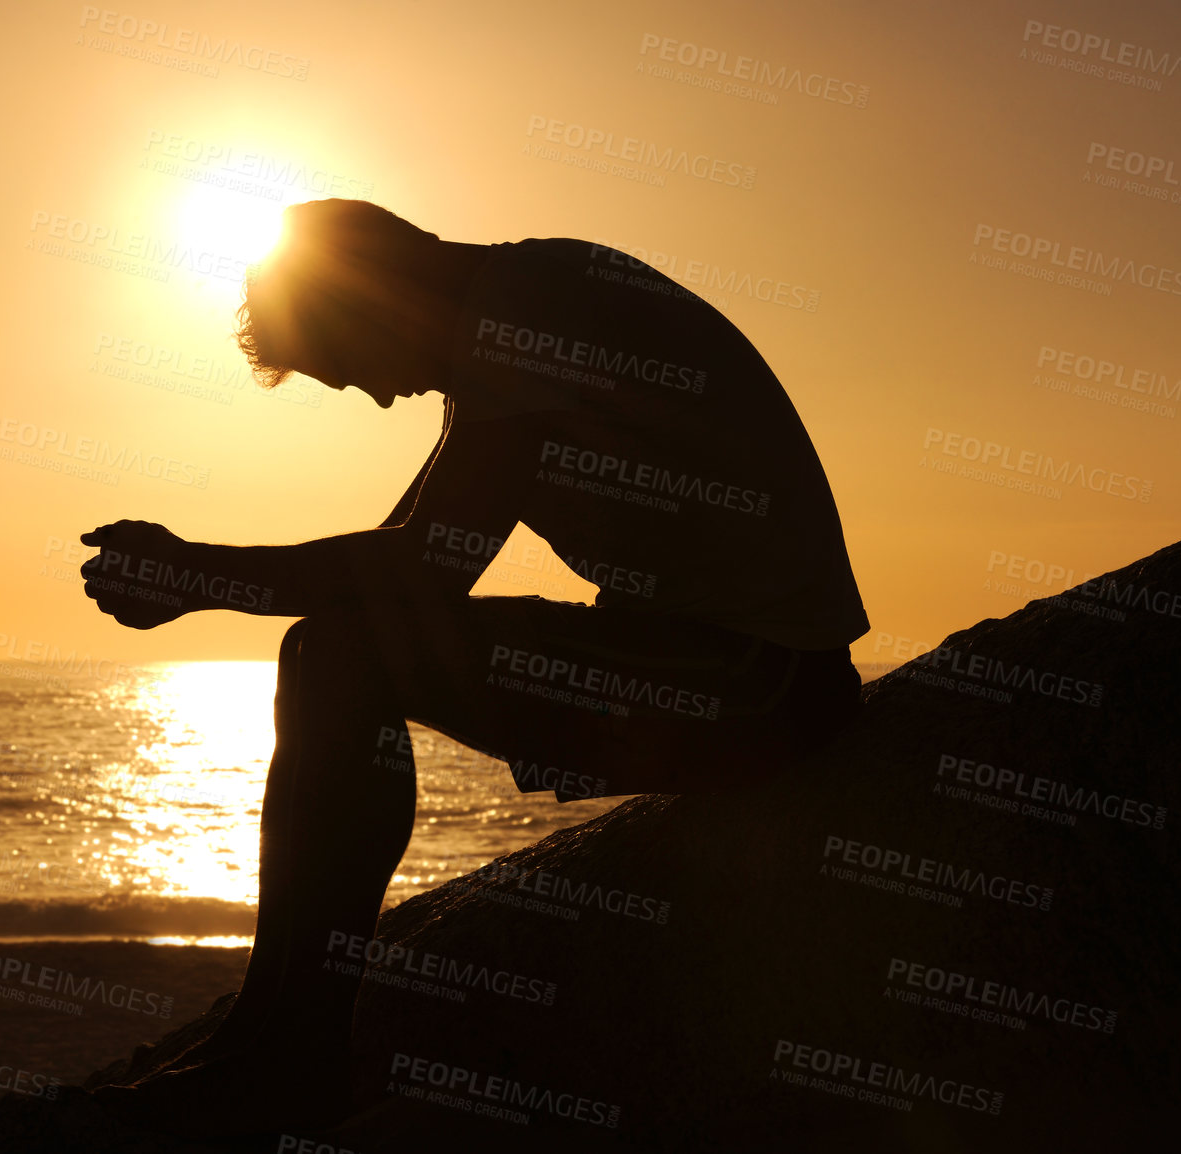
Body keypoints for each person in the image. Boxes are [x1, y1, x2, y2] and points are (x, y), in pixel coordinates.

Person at [82, 199, 869, 1138]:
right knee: (333, 646)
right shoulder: (516, 308)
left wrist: (196, 573)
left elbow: (424, 571)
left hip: (759, 684)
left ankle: (286, 1052)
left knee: (336, 655)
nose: (377, 397)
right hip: (724, 664)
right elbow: (404, 560)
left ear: (374, 299)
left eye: (350, 369)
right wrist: (203, 574)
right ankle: (271, 1033)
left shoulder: (526, 315)